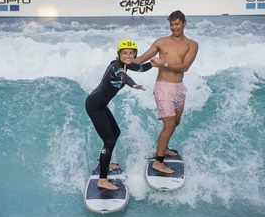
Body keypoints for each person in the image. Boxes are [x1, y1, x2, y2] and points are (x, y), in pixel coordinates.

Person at [134, 10, 199, 174]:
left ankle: (163, 147)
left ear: (184, 23)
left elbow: (185, 66)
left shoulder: (192, 44)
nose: (174, 27)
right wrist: (121, 62)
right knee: (169, 125)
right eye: (171, 24)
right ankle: (159, 161)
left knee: (175, 123)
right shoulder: (161, 42)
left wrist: (164, 64)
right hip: (163, 87)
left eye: (177, 24)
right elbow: (140, 59)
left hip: (179, 88)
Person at [85, 39, 153, 190]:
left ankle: (106, 161)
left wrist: (154, 63)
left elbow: (141, 68)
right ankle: (102, 180)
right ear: (119, 54)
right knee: (109, 141)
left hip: (100, 105)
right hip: (94, 105)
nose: (128, 55)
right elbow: (124, 77)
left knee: (115, 133)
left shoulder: (125, 64)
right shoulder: (117, 67)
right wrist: (133, 84)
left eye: (131, 53)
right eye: (125, 53)